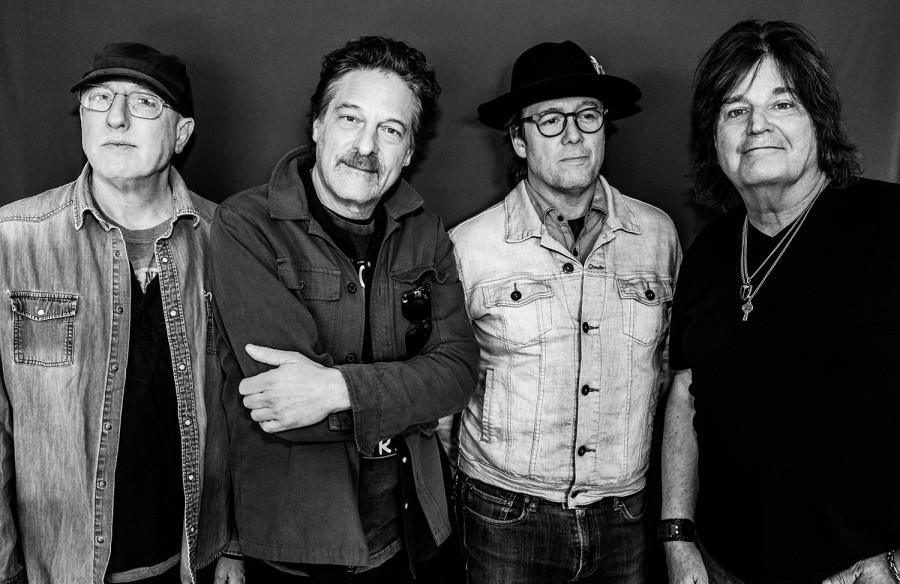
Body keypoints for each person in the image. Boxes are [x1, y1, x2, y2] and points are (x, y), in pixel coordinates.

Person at [204, 36, 478, 582]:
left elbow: (459, 373)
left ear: (409, 151)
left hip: (414, 532)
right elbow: (280, 404)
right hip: (297, 544)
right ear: (318, 126)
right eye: (350, 119)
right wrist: (411, 394)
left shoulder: (425, 231)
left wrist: (335, 389)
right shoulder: (246, 225)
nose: (366, 146)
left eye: (391, 130)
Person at [661, 20, 900, 584]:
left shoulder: (891, 225)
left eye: (783, 103)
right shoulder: (708, 251)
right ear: (714, 136)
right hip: (720, 566)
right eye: (735, 110)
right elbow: (686, 394)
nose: (757, 125)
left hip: (858, 572)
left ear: (819, 120)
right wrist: (677, 537)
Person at [0, 43, 240, 583]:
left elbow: (242, 409)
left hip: (191, 564)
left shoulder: (228, 242)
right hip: (57, 569)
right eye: (100, 98)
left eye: (145, 102)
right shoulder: (12, 241)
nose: (116, 117)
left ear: (182, 133)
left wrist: (235, 546)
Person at [449, 40, 681, 584]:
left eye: (587, 115)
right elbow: (444, 388)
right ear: (519, 139)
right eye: (550, 120)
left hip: (623, 514)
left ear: (604, 127)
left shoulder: (658, 236)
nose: (573, 134)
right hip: (504, 513)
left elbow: (670, 369)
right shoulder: (470, 246)